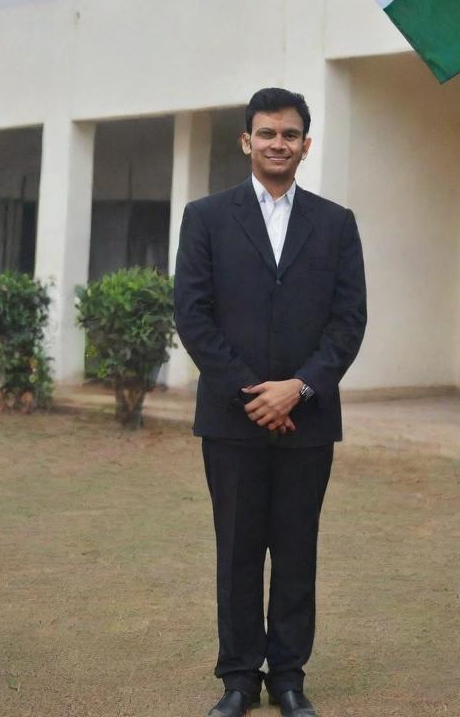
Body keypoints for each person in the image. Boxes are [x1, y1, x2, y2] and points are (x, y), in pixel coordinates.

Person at [174, 87, 367, 717]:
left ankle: (288, 676)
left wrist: (300, 387)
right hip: (232, 420)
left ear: (305, 145)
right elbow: (194, 316)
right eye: (266, 134)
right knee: (237, 550)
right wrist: (251, 392)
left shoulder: (336, 223)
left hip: (308, 420)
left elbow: (348, 320)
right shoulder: (205, 217)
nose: (277, 144)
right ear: (246, 141)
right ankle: (238, 678)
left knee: (295, 548)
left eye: (289, 135)